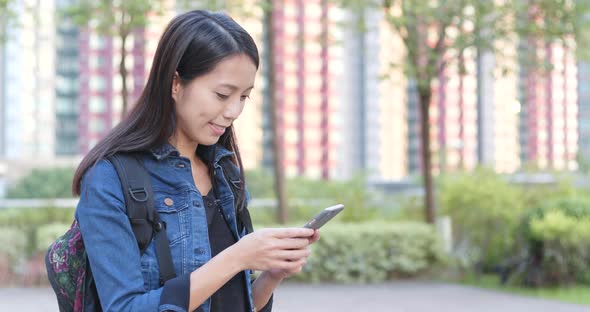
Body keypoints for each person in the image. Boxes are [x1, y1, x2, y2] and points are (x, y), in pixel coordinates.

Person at [72, 10, 319, 312]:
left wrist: (271, 275)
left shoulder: (225, 173)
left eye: (244, 97)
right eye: (222, 94)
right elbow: (123, 308)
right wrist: (237, 257)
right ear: (176, 83)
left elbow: (234, 302)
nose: (233, 111)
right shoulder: (110, 178)